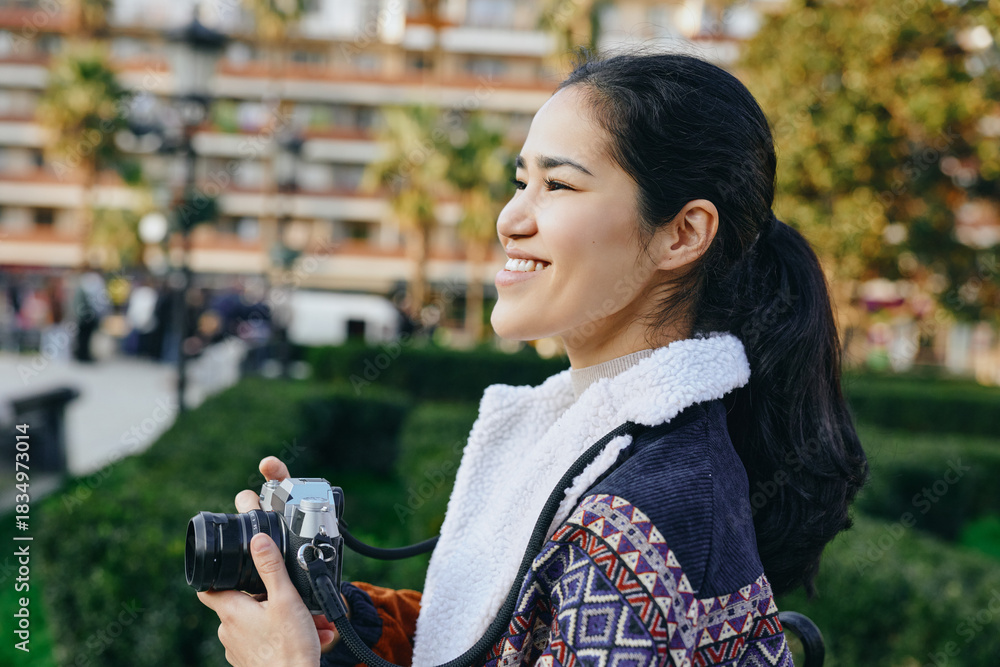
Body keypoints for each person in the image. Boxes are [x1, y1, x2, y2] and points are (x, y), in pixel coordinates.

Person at [197, 49, 869, 667]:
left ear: (683, 233)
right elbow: (500, 641)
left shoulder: (638, 517)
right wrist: (337, 621)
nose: (511, 219)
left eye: (559, 185)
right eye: (522, 181)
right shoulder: (602, 447)